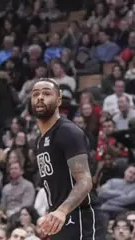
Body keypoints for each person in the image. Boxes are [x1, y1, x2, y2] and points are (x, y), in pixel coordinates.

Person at [32, 78, 105, 239]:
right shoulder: (41, 140)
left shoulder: (67, 132)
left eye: (46, 93)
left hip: (81, 217)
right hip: (60, 218)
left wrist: (62, 210)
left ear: (59, 100)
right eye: (35, 94)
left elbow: (85, 180)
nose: (40, 97)